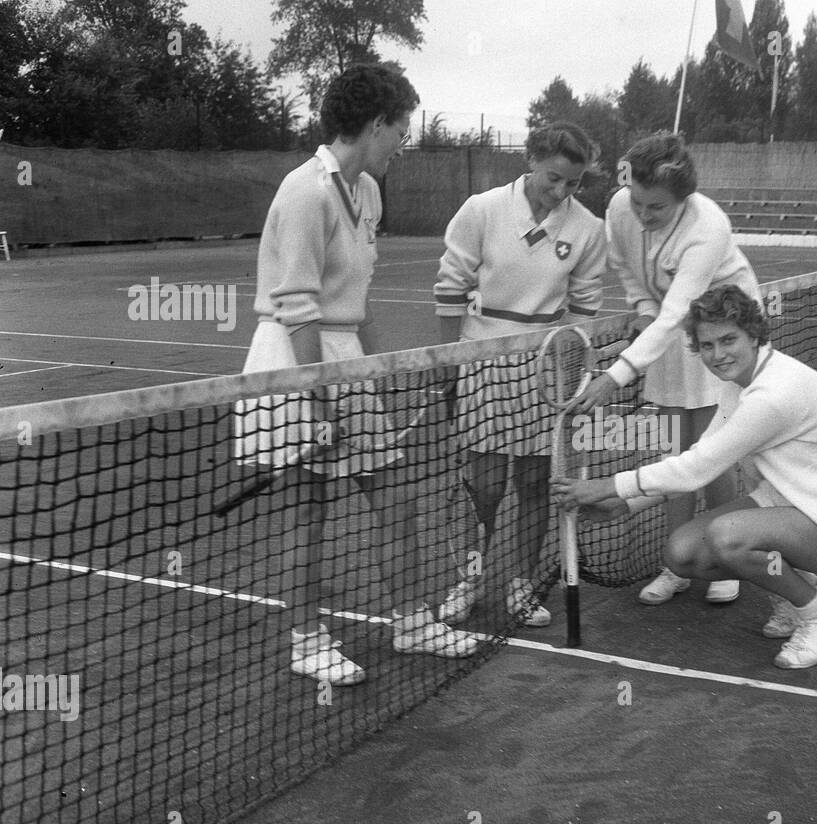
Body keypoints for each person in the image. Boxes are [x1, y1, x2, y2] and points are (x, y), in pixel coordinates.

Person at [235, 63, 482, 686]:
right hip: (294, 359)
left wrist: (385, 375)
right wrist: (320, 404)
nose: (404, 141)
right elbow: (297, 308)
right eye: (401, 129)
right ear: (376, 125)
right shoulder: (305, 191)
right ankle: (306, 638)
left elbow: (358, 302)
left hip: (344, 357)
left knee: (395, 496)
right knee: (308, 511)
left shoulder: (367, 191)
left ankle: (412, 620)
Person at [553, 285, 817, 670]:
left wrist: (606, 486)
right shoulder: (736, 384)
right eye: (707, 345)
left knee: (727, 537)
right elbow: (697, 457)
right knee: (682, 553)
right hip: (789, 501)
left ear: (755, 335)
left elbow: (699, 467)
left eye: (729, 340)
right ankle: (794, 586)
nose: (718, 355)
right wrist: (624, 504)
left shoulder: (773, 394)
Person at [567, 132, 760, 608]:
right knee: (675, 443)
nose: (644, 216)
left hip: (722, 331)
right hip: (666, 328)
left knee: (712, 450)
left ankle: (721, 561)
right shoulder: (619, 207)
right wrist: (640, 305)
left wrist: (616, 374)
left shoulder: (708, 226)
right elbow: (627, 268)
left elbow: (679, 311)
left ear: (685, 199)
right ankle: (677, 564)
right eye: (639, 203)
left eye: (658, 208)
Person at [434, 122, 607, 628]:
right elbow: (450, 289)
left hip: (545, 369)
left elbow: (582, 313)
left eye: (572, 184)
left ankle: (521, 585)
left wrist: (570, 384)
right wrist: (449, 365)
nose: (561, 192)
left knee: (535, 485)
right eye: (553, 178)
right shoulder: (481, 210)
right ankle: (468, 580)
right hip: (482, 362)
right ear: (531, 159)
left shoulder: (587, 229)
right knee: (483, 487)